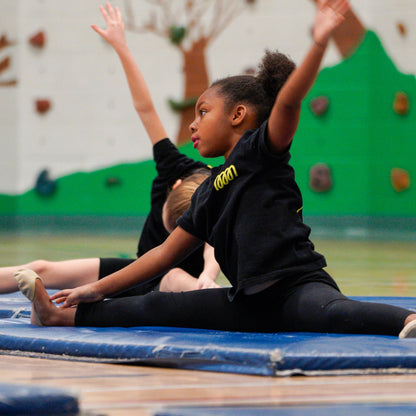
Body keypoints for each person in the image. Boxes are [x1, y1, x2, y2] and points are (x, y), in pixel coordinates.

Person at [14, 0, 416, 338]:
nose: (192, 123)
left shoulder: (262, 152)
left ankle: (409, 319)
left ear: (239, 115)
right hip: (244, 302)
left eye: (203, 112)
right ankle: (56, 314)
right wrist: (95, 290)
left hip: (297, 288)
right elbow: (161, 256)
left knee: (335, 312)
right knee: (154, 307)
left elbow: (289, 104)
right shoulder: (207, 190)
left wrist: (318, 43)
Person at [1, 2, 220, 296]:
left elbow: (212, 246)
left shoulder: (218, 193)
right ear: (175, 185)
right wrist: (122, 48)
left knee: (175, 277)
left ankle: (207, 296)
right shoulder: (174, 165)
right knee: (40, 268)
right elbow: (146, 109)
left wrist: (208, 274)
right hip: (137, 271)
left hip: (169, 285)